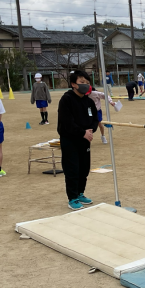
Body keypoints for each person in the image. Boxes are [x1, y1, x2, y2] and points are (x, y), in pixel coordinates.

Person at [57, 70, 99, 210]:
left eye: (87, 82)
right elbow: (67, 121)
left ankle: (80, 193)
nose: (85, 85)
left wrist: (91, 130)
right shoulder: (66, 99)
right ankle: (72, 198)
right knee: (72, 169)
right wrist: (82, 132)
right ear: (73, 84)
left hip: (85, 140)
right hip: (70, 139)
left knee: (84, 168)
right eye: (82, 82)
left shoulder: (89, 101)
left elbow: (95, 119)